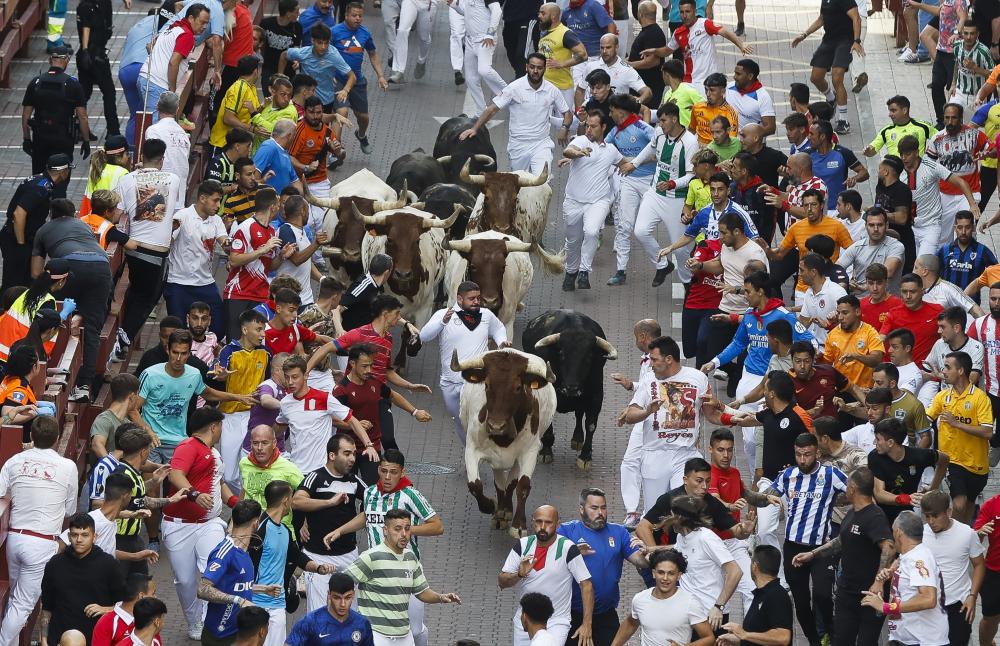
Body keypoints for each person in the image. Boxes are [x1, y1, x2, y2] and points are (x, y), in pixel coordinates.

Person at [790, 467, 894, 646]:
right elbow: (841, 541)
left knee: (866, 642)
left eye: (847, 485)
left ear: (853, 489)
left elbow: (889, 547)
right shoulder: (853, 512)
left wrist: (878, 582)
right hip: (847, 592)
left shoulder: (874, 515)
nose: (845, 488)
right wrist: (813, 554)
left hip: (868, 594)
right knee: (841, 640)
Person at [760, 433, 846, 645]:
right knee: (800, 602)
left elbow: (856, 490)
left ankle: (830, 631)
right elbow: (765, 497)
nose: (802, 459)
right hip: (793, 547)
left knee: (823, 595)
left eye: (807, 454)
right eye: (798, 454)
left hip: (821, 547)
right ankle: (814, 641)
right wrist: (758, 496)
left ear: (817, 453)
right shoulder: (788, 475)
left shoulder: (831, 473)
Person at [161, 407, 239, 640]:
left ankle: (211, 622)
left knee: (213, 572)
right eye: (221, 427)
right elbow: (175, 474)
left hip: (210, 524)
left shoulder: (213, 452)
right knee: (185, 581)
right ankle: (195, 622)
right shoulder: (188, 447)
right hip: (179, 526)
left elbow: (219, 482)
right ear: (214, 426)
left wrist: (236, 503)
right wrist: (194, 494)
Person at [0, 416, 78, 646]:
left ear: (31, 437)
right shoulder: (67, 466)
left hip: (15, 537)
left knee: (16, 599)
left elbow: (2, 492)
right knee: (22, 603)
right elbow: (71, 509)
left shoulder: (15, 461)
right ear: (57, 439)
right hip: (42, 542)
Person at [615, 335, 713, 507]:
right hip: (654, 456)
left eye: (654, 359)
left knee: (683, 506)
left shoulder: (698, 378)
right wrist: (647, 411)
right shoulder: (648, 381)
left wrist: (735, 416)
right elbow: (630, 415)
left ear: (668, 359)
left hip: (685, 454)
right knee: (656, 511)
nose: (651, 364)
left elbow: (711, 414)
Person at [346, 508, 462, 646]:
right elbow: (342, 583)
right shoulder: (370, 557)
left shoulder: (411, 558)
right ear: (385, 530)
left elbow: (422, 592)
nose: (403, 534)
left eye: (407, 529)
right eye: (397, 529)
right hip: (375, 634)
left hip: (404, 635)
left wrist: (441, 597)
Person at [619, 102, 700, 287]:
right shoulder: (659, 133)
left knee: (680, 250)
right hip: (655, 193)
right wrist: (634, 164)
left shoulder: (690, 142)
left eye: (663, 120)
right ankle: (663, 264)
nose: (660, 124)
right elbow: (650, 147)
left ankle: (688, 284)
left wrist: (672, 183)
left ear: (674, 119)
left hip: (677, 199)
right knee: (640, 231)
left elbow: (691, 176)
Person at [557, 488, 649, 644]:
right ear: (581, 509)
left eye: (603, 507)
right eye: (594, 508)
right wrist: (572, 552)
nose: (600, 512)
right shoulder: (566, 531)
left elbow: (640, 561)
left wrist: (648, 553)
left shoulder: (619, 532)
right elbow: (552, 559)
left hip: (606, 616)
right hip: (571, 615)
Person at [419, 281, 507, 442]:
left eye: (478, 298)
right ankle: (470, 451)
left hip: (478, 381)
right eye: (471, 298)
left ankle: (479, 452)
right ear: (459, 299)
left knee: (478, 420)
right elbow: (424, 336)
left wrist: (502, 342)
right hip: (450, 383)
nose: (476, 301)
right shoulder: (443, 314)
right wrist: (442, 322)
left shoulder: (486, 315)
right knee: (460, 423)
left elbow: (499, 328)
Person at [249, 481, 334, 646]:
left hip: (278, 603)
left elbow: (297, 557)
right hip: (255, 603)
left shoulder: (285, 531)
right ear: (286, 501)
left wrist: (318, 568)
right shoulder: (259, 528)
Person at [460, 53, 573, 175]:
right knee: (520, 185)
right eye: (532, 67)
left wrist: (564, 127)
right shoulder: (514, 88)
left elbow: (567, 113)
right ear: (526, 67)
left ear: (544, 69)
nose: (535, 71)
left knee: (542, 179)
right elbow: (492, 109)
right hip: (518, 145)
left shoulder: (552, 90)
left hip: (541, 143)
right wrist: (475, 129)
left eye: (539, 68)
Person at [291, 434, 368, 611]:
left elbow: (374, 502)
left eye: (354, 454)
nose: (352, 459)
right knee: (319, 613)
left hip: (348, 555)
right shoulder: (315, 477)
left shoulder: (354, 481)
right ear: (332, 455)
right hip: (318, 557)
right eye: (347, 454)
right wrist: (330, 502)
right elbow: (297, 501)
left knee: (350, 610)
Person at [499, 505, 594, 646]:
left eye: (548, 522)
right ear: (532, 522)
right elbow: (502, 582)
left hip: (556, 622)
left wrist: (587, 624)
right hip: (525, 621)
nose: (542, 527)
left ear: (557, 524)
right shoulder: (522, 545)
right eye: (538, 521)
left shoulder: (568, 548)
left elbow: (586, 585)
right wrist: (519, 574)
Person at [861, 511, 950, 645]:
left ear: (898, 532)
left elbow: (928, 599)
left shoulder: (919, 558)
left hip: (923, 641)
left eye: (892, 532)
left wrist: (885, 607)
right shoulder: (908, 556)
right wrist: (889, 574)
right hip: (905, 639)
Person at [558, 110, 623, 290]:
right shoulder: (580, 141)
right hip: (573, 201)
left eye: (593, 126)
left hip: (598, 201)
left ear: (603, 127)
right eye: (587, 125)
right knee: (573, 241)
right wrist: (577, 154)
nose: (588, 129)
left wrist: (648, 160)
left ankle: (584, 272)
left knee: (592, 231)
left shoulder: (611, 151)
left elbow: (625, 163)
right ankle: (571, 272)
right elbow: (567, 150)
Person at [40, 511, 126, 646]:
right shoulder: (55, 564)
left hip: (96, 639)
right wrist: (44, 640)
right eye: (75, 535)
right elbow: (46, 606)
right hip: (59, 638)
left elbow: (125, 605)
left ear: (94, 537)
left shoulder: (109, 564)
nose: (79, 540)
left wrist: (106, 609)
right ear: (69, 536)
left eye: (85, 535)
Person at [275, 354, 372, 474]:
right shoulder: (285, 403)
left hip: (321, 471)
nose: (290, 382)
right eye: (287, 377)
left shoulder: (324, 398)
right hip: (296, 471)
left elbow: (352, 420)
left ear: (306, 375)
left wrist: (369, 446)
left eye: (295, 377)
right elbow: (278, 428)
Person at [926, 351, 993, 522]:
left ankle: (963, 541)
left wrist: (957, 424)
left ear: (961, 371)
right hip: (952, 461)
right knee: (959, 504)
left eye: (948, 367)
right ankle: (950, 536)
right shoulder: (942, 397)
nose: (944, 370)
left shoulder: (980, 398)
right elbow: (926, 419)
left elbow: (987, 432)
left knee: (968, 507)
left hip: (978, 465)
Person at [920, 490, 986, 646]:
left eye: (935, 516)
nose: (931, 521)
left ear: (948, 512)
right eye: (927, 516)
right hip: (929, 606)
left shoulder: (966, 533)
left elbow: (979, 564)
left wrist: (972, 596)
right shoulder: (920, 533)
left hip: (959, 605)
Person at [224, 187, 290, 341]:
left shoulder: (273, 231)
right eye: (279, 204)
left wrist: (281, 256)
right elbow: (234, 259)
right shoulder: (246, 227)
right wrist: (263, 249)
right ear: (272, 207)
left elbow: (270, 266)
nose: (281, 208)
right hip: (238, 294)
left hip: (260, 295)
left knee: (257, 342)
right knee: (236, 342)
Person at [196, 499, 266, 645]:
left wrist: (261, 589)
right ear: (256, 523)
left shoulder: (244, 551)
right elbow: (203, 589)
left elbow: (234, 586)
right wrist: (238, 600)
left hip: (240, 632)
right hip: (220, 636)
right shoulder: (225, 552)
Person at [610, 548, 713, 646]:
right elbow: (631, 623)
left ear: (679, 575)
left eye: (671, 573)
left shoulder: (690, 602)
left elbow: (709, 638)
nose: (665, 578)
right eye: (661, 572)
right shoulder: (640, 599)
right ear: (653, 573)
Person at [639, 0, 751, 88]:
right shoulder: (678, 33)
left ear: (695, 11)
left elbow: (724, 32)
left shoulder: (705, 24)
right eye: (682, 12)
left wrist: (741, 45)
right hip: (689, 83)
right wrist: (654, 51)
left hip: (709, 81)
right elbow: (667, 50)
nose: (684, 15)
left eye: (688, 12)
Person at [0, 155, 72, 294]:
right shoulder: (41, 188)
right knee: (13, 282)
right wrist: (21, 244)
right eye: (68, 170)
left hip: (21, 238)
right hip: (16, 240)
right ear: (62, 171)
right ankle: (5, 311)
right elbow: (19, 214)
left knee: (22, 280)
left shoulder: (41, 180)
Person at [162, 180, 227, 328]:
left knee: (218, 326)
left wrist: (230, 244)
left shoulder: (216, 220)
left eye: (219, 201)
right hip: (178, 283)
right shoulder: (182, 216)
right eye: (215, 200)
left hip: (205, 282)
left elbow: (224, 242)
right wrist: (170, 229)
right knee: (178, 330)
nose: (218, 206)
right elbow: (167, 242)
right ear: (203, 198)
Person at [791, 0, 862, 134]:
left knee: (837, 78)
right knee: (815, 77)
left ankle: (843, 120)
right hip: (829, 41)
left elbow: (856, 18)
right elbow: (822, 18)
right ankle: (832, 98)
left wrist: (856, 41)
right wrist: (804, 35)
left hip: (845, 41)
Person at [21, 46, 91, 180]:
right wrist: (86, 141)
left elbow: (26, 115)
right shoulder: (72, 84)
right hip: (63, 138)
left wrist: (26, 139)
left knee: (39, 179)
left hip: (40, 137)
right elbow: (82, 116)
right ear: (66, 60)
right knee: (60, 181)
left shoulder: (36, 82)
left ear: (49, 60)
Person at [138, 4, 211, 117]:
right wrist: (173, 91)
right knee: (157, 127)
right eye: (202, 22)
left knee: (144, 121)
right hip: (157, 84)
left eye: (207, 23)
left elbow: (149, 46)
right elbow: (173, 62)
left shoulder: (173, 28)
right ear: (191, 18)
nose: (205, 26)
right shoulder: (186, 35)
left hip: (146, 78)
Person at [716, 545, 794, 645]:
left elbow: (783, 637)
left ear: (754, 566)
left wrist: (744, 634)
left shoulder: (777, 596)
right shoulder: (762, 593)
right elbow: (761, 635)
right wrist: (740, 640)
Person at [446, 0, 507, 115]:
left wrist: (490, 33)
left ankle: (509, 93)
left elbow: (497, 10)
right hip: (470, 40)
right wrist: (455, 6)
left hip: (485, 39)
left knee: (484, 70)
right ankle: (480, 112)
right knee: (471, 79)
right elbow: (469, 14)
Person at [238, 425, 303, 530]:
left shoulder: (288, 468)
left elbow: (306, 494)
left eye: (264, 443)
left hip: (278, 530)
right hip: (249, 529)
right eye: (255, 443)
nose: (259, 448)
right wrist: (234, 519)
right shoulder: (244, 463)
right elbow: (244, 490)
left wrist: (305, 522)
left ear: (274, 444)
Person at [285, 573, 375, 646]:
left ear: (353, 595)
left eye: (347, 598)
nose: (343, 604)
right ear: (329, 595)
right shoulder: (310, 622)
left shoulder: (362, 623)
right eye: (337, 598)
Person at [919, 306, 984, 406]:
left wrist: (939, 375)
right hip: (944, 402)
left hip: (968, 404)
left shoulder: (976, 347)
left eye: (943, 327)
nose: (939, 331)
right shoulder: (939, 344)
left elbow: (971, 380)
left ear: (956, 328)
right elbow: (927, 372)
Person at [824, 294, 886, 388]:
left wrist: (856, 356)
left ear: (857, 312)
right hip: (841, 389)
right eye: (838, 313)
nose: (840, 317)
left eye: (845, 313)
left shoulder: (870, 332)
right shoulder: (832, 334)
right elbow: (826, 364)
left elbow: (876, 360)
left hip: (864, 390)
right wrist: (817, 357)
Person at [91, 574, 157, 646]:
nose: (156, 598)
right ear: (141, 596)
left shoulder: (151, 618)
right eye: (153, 594)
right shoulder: (106, 623)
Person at [864, 95, 936, 157]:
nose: (890, 114)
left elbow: (941, 138)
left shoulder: (923, 127)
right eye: (889, 111)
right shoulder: (886, 130)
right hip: (895, 172)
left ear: (904, 110)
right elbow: (872, 150)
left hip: (918, 172)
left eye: (893, 110)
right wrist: (868, 151)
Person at [260, 0, 302, 91]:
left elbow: (296, 48)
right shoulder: (266, 24)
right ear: (288, 13)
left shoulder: (297, 28)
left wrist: (297, 61)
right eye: (296, 11)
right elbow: (260, 43)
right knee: (269, 97)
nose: (299, 14)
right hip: (269, 68)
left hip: (288, 71)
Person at [726, 58, 775, 135]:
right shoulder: (729, 87)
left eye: (738, 74)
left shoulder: (763, 97)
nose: (734, 77)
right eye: (735, 73)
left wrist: (750, 136)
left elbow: (771, 128)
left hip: (750, 146)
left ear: (750, 76)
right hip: (730, 144)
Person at [253, 119, 303, 194]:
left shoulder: (285, 153)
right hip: (268, 203)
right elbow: (254, 175)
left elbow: (295, 182)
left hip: (280, 203)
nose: (294, 139)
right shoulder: (269, 146)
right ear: (289, 136)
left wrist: (305, 202)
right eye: (294, 135)